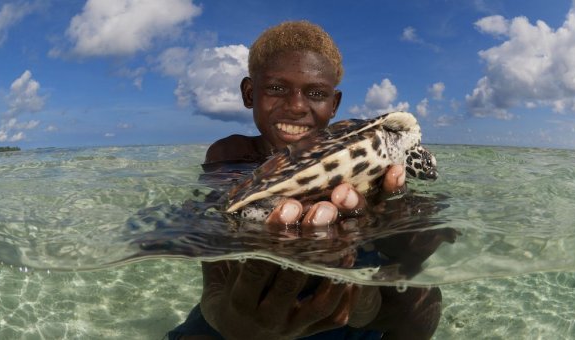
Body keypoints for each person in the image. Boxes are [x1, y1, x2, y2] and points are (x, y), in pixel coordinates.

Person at [169, 21, 441, 340]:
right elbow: (216, 246)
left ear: (334, 104)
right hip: (249, 298)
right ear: (248, 93)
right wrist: (226, 317)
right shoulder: (230, 153)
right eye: (276, 88)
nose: (297, 106)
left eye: (315, 93)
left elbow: (411, 255)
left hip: (342, 288)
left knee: (425, 302)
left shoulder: (389, 165)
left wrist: (382, 222)